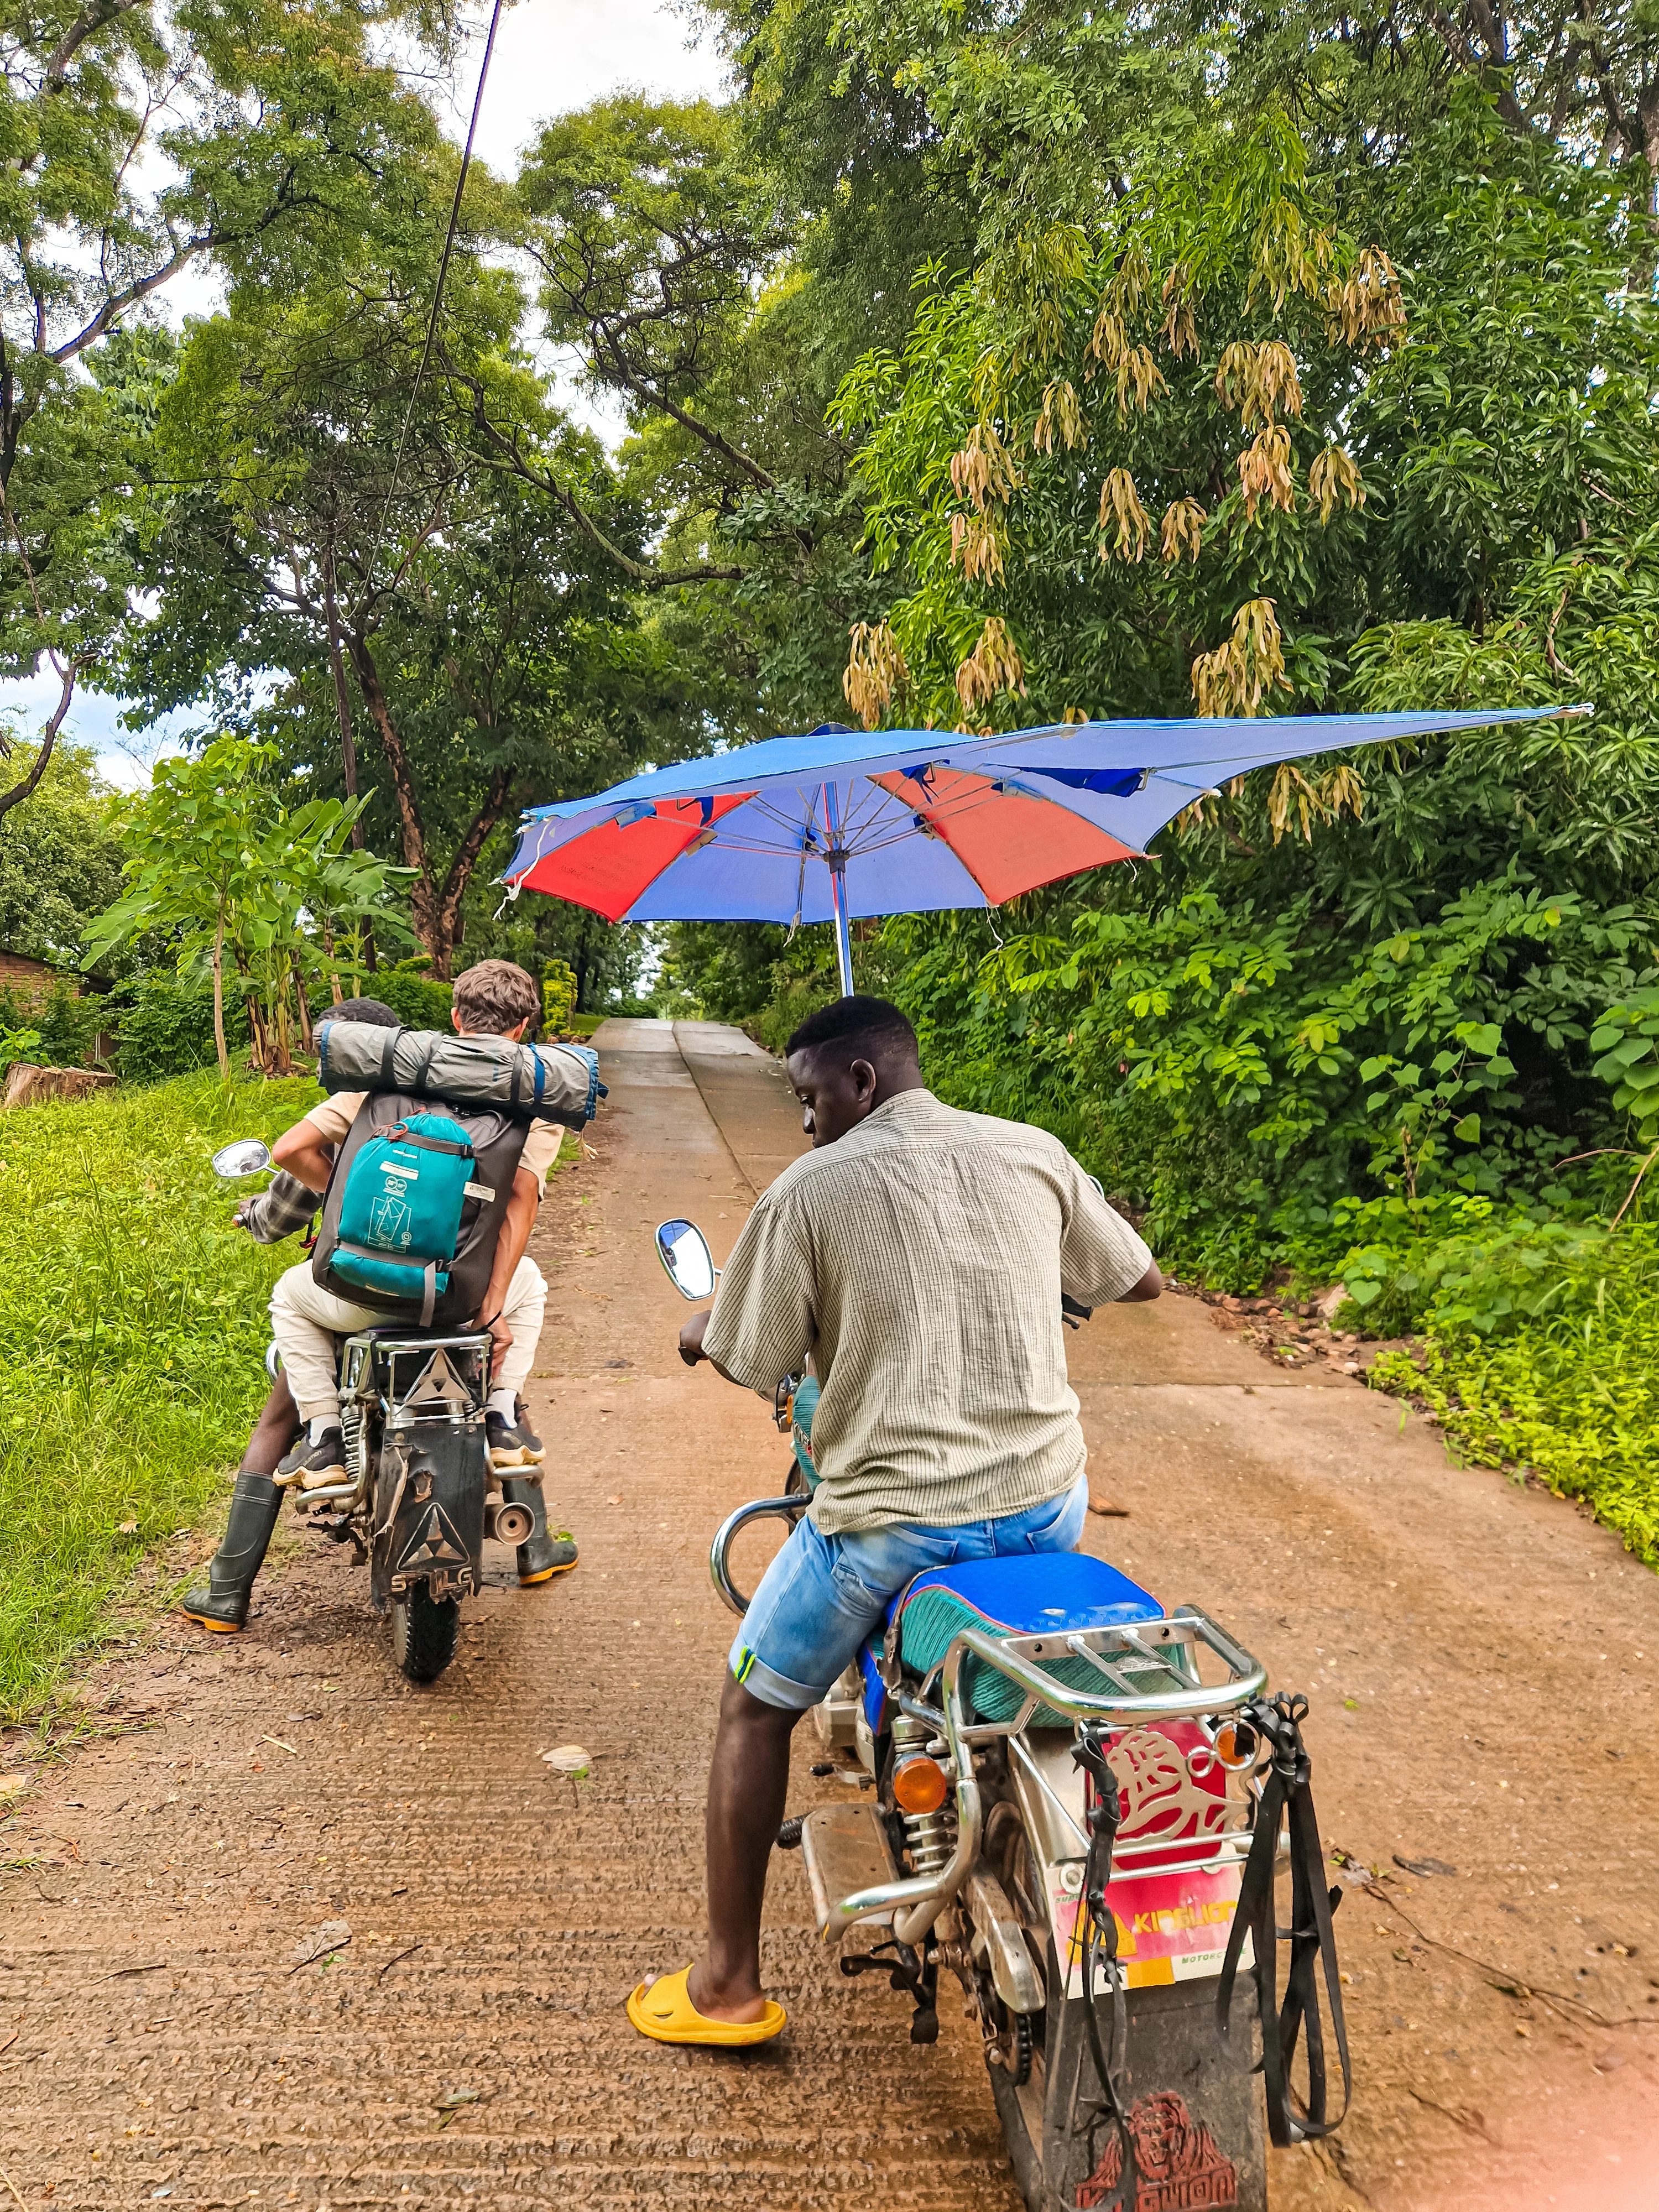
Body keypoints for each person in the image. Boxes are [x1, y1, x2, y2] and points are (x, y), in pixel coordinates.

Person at [627, 994, 1161, 2048]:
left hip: (895, 1525)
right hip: (1049, 1504)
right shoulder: (1032, 1151)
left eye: (810, 1099)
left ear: (860, 1082)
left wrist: (701, 1328)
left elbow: (749, 1350)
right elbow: (1140, 1279)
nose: (807, 1125)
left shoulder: (809, 1191)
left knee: (749, 1706)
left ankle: (727, 1984)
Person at [179, 967, 576, 1633]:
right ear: (523, 1027)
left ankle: (237, 1575)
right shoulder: (530, 1093)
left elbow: (287, 1153)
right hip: (458, 1299)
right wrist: (492, 1305)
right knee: (503, 1354)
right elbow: (521, 1200)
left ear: (453, 1016)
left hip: (360, 1296)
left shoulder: (383, 1081)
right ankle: (530, 1531)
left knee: (285, 1362)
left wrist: (348, 1197)